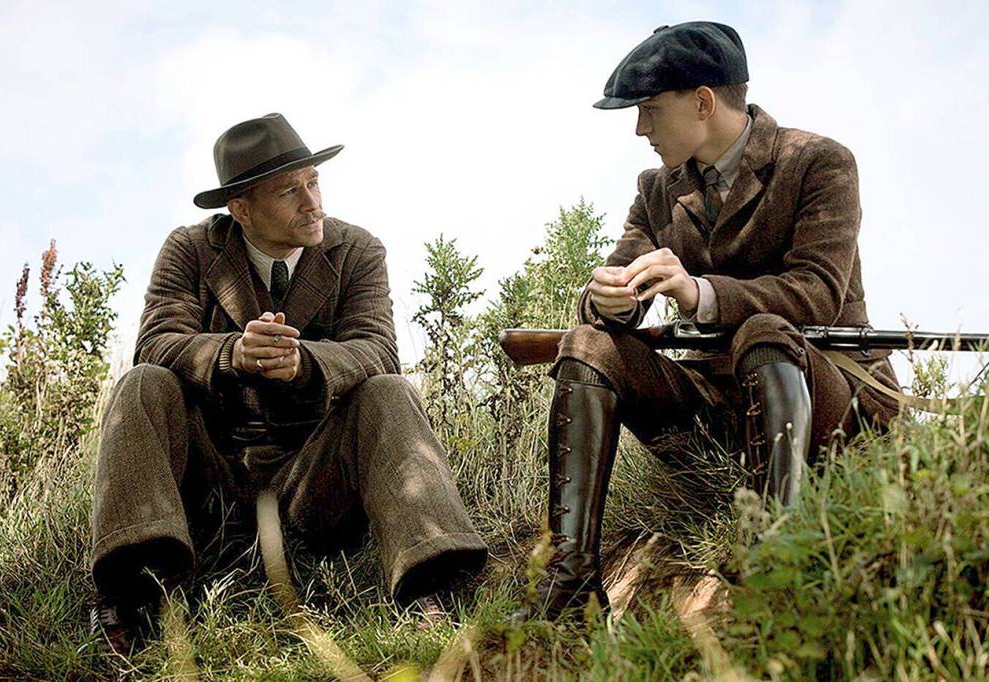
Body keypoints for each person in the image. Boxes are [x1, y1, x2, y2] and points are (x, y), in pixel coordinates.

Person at [521, 21, 899, 619]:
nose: (639, 128)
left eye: (649, 109)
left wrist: (699, 293)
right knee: (589, 343)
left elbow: (817, 293)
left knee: (764, 330)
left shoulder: (819, 162)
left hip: (831, 402)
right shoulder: (656, 190)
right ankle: (568, 586)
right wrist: (608, 300)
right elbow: (616, 280)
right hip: (721, 415)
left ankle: (774, 564)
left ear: (702, 102)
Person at [90, 113, 487, 651]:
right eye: (289, 192)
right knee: (141, 383)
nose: (312, 203)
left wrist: (306, 364)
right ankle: (134, 588)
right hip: (214, 479)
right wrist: (231, 354)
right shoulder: (190, 248)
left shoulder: (357, 249)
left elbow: (377, 349)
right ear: (241, 210)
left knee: (389, 390)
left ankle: (431, 582)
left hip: (315, 481)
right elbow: (157, 342)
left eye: (313, 183)